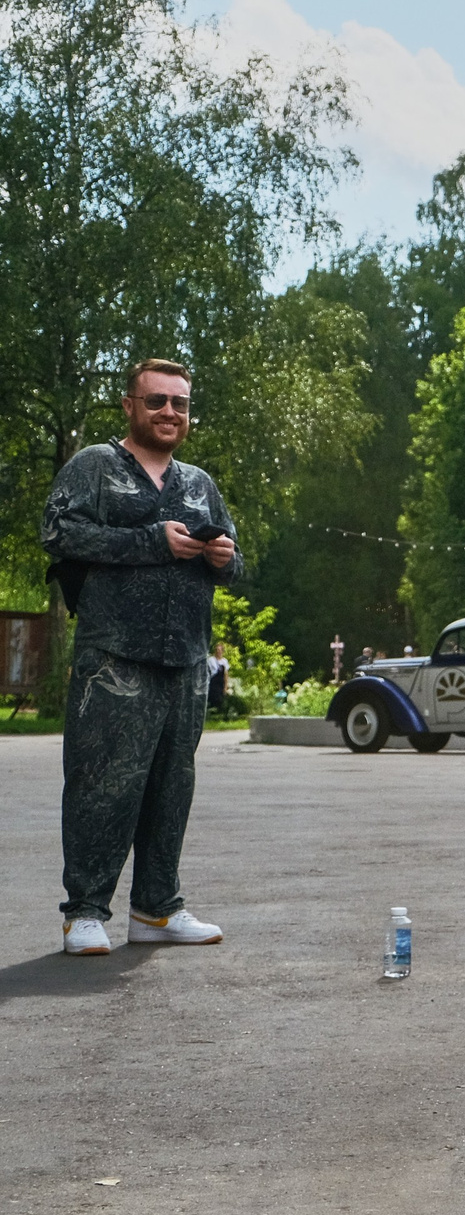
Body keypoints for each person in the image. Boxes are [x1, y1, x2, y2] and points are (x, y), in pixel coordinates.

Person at [41, 359, 236, 956]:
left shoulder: (200, 482)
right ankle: (84, 913)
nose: (169, 412)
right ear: (129, 405)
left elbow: (235, 559)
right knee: (103, 784)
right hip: (114, 658)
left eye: (179, 403)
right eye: (156, 401)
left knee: (171, 787)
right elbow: (58, 533)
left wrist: (227, 557)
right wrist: (149, 540)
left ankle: (156, 909)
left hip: (185, 658)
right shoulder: (96, 466)